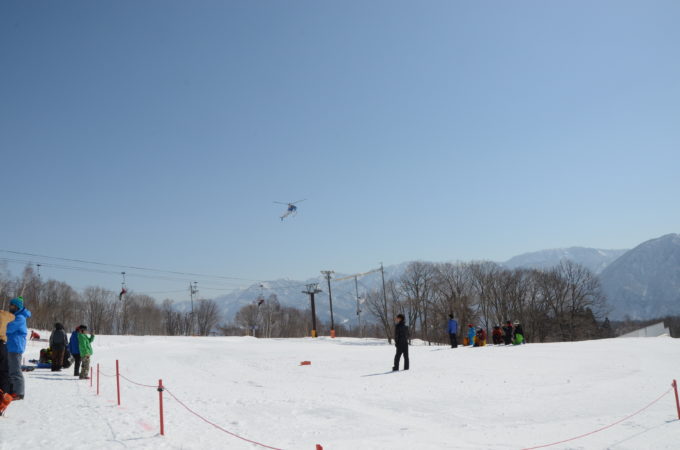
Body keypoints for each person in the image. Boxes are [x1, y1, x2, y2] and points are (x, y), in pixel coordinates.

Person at [6, 297, 31, 399]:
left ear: (16, 307)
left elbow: (9, 328)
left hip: (16, 347)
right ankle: (13, 390)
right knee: (11, 370)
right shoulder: (16, 316)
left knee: (15, 371)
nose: (10, 307)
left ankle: (19, 393)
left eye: (11, 305)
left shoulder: (20, 318)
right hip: (11, 346)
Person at [0, 309, 15, 394]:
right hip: (2, 344)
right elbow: (13, 317)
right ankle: (5, 393)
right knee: (4, 370)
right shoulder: (5, 315)